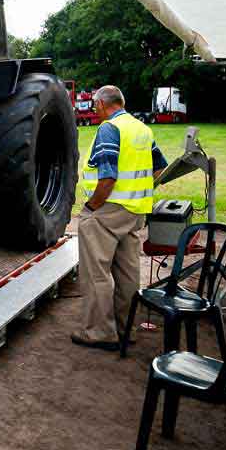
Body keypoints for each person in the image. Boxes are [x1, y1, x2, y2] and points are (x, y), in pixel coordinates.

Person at [69, 85, 167, 351]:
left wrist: (92, 206)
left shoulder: (109, 129)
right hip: (135, 212)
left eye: (95, 106)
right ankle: (128, 329)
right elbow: (160, 168)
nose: (94, 110)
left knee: (96, 273)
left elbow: (108, 176)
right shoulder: (142, 129)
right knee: (128, 272)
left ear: (101, 104)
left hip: (107, 211)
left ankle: (99, 332)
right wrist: (137, 193)